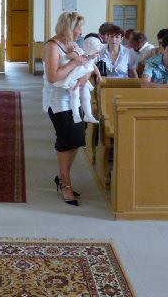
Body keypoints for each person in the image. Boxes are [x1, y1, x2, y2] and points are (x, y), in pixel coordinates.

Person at [43, 11, 89, 207]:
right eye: (78, 29)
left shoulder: (74, 44)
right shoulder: (52, 46)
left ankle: (62, 176)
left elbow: (86, 66)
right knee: (65, 140)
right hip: (58, 101)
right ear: (69, 28)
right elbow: (53, 77)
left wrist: (83, 77)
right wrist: (73, 62)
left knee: (76, 139)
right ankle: (66, 183)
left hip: (74, 99)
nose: (81, 33)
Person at [52, 35, 103, 124]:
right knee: (75, 95)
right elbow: (69, 56)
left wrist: (99, 75)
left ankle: (88, 115)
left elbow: (94, 67)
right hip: (73, 79)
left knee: (87, 96)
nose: (97, 55)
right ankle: (76, 114)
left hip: (83, 80)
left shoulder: (91, 59)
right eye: (96, 52)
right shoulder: (80, 51)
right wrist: (77, 58)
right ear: (91, 50)